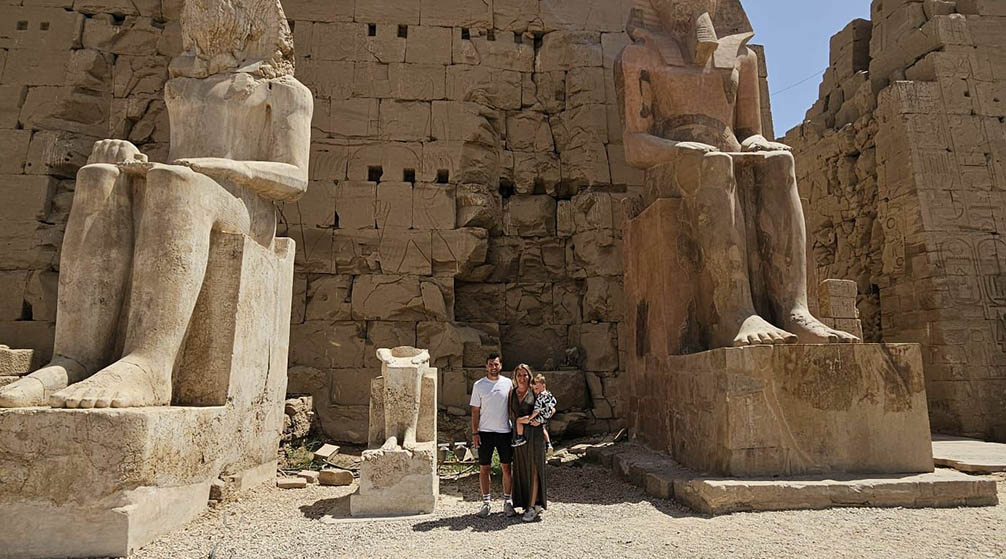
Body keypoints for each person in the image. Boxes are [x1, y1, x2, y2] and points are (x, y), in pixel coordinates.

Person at [470, 352, 516, 518]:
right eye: (490, 364)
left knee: (506, 467)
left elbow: (512, 408)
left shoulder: (508, 383)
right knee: (484, 468)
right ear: (486, 366)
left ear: (501, 366)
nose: (493, 367)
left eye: (496, 364)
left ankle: (507, 501)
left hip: (504, 431)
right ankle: (486, 502)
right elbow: (475, 410)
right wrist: (475, 432)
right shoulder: (479, 385)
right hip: (485, 432)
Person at [510, 364, 548, 522]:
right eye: (519, 374)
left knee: (533, 468)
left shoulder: (535, 391)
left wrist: (538, 421)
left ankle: (532, 506)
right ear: (515, 376)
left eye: (525, 375)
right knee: (521, 468)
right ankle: (528, 502)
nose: (522, 377)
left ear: (529, 376)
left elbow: (548, 409)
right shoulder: (512, 393)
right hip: (519, 436)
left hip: (534, 434)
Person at [513, 374, 556, 448]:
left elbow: (536, 410)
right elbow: (554, 402)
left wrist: (530, 417)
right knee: (543, 429)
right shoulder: (549, 394)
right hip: (545, 416)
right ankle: (548, 443)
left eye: (537, 388)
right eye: (534, 389)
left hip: (537, 418)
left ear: (543, 386)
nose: (535, 391)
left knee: (519, 421)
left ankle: (520, 437)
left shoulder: (540, 397)